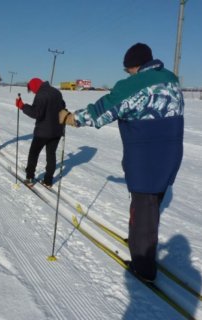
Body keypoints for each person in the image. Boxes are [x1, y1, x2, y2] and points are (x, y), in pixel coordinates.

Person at [59, 43, 184, 282]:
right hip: (170, 153)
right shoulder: (171, 79)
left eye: (128, 70)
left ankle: (144, 266)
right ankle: (140, 238)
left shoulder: (134, 85)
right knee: (151, 202)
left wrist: (73, 118)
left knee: (144, 206)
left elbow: (103, 110)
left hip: (147, 156)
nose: (127, 74)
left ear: (134, 66)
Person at [15, 77, 66, 188]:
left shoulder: (41, 95)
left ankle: (29, 178)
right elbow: (63, 106)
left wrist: (22, 106)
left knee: (34, 153)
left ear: (35, 86)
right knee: (51, 155)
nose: (33, 92)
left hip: (43, 131)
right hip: (57, 131)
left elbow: (36, 113)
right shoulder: (57, 92)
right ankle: (48, 181)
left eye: (33, 90)